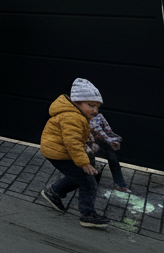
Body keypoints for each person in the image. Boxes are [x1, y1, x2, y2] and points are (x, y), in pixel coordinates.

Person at [38, 78, 110, 229]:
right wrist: (84, 163)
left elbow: (78, 138)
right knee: (88, 182)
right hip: (58, 152)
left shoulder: (76, 115)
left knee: (78, 176)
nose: (95, 110)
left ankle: (54, 192)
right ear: (77, 102)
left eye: (97, 106)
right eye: (91, 105)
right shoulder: (73, 117)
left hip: (58, 150)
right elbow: (73, 143)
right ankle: (88, 215)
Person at [87, 110, 130, 193]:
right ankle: (91, 184)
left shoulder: (99, 116)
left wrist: (111, 140)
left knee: (113, 159)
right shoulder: (80, 116)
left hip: (101, 140)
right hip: (88, 142)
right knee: (89, 163)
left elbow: (107, 130)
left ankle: (120, 184)